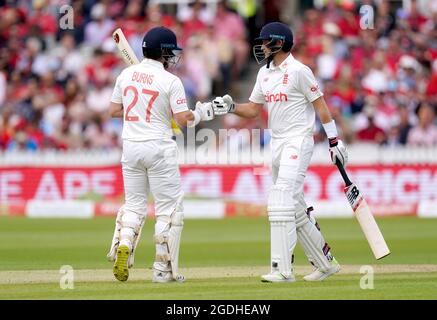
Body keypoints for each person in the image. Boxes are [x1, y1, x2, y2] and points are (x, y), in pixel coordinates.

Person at [211, 22, 348, 282]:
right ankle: (326, 263)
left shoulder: (299, 70)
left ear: (278, 43)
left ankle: (282, 270)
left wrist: (334, 141)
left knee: (281, 198)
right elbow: (252, 109)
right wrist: (229, 107)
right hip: (277, 143)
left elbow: (321, 106)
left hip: (299, 141)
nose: (261, 47)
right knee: (294, 207)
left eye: (264, 42)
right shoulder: (264, 74)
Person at [107, 26, 213, 283]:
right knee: (169, 209)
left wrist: (148, 112)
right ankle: (162, 271)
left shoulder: (126, 74)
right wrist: (201, 112)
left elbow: (113, 111)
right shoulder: (171, 81)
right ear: (164, 52)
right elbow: (183, 120)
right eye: (171, 52)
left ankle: (124, 241)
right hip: (158, 148)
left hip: (130, 147)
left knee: (134, 205)